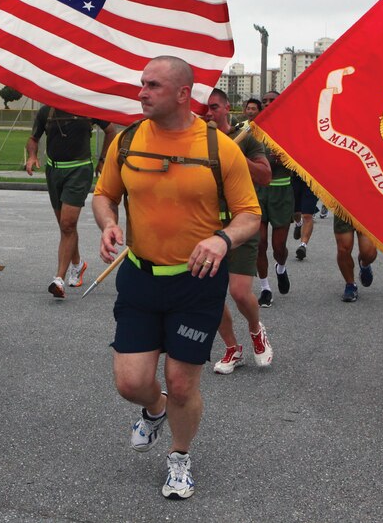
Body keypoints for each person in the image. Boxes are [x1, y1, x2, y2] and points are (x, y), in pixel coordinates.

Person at [92, 57, 261, 500]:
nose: (142, 92)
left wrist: (223, 239)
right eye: (142, 84)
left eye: (154, 86)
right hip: (140, 278)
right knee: (130, 382)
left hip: (196, 281)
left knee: (184, 381)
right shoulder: (126, 140)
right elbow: (104, 194)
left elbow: (250, 214)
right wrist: (108, 221)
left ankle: (180, 457)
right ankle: (154, 408)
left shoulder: (219, 147)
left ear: (184, 93)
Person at [200, 89, 273, 374]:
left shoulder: (247, 137)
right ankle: (232, 348)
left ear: (227, 108)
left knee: (240, 293)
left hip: (240, 224)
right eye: (204, 108)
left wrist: (232, 154)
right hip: (206, 228)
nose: (209, 113)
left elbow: (265, 175)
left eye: (214, 107)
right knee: (211, 296)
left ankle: (256, 330)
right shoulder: (194, 141)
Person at [26, 103, 116, 299]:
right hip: (53, 170)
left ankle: (58, 279)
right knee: (64, 225)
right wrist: (32, 156)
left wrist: (102, 160)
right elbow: (33, 139)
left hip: (80, 169)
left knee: (68, 223)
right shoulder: (47, 111)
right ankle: (78, 264)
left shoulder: (88, 106)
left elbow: (111, 131)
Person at [255, 90, 294, 306]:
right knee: (260, 243)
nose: (268, 104)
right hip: (258, 192)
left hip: (282, 191)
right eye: (265, 101)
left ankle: (281, 267)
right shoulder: (251, 130)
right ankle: (265, 288)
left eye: (273, 101)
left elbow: (296, 164)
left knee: (278, 247)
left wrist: (285, 159)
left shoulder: (290, 130)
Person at [334, 214, 376, 302]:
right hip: (343, 208)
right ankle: (350, 284)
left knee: (369, 253)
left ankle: (364, 264)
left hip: (367, 209)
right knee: (343, 249)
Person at [291, 175, 320, 262]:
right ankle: (299, 223)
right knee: (295, 213)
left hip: (312, 180)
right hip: (295, 178)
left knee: (307, 215)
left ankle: (303, 245)